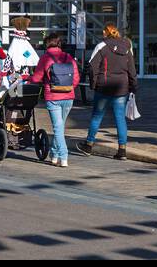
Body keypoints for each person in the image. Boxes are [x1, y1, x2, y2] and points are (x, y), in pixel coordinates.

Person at [77, 25, 136, 160]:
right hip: (121, 87)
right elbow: (132, 69)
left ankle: (89, 144)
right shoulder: (127, 46)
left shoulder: (102, 46)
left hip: (104, 86)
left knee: (97, 116)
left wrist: (93, 84)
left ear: (106, 33)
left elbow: (92, 66)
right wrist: (133, 87)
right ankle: (122, 150)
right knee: (120, 118)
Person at [29, 32, 79, 167]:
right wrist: (67, 87)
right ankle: (54, 155)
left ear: (47, 44)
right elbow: (76, 79)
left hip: (53, 97)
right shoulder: (69, 57)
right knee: (60, 127)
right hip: (68, 96)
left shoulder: (45, 58)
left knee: (57, 128)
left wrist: (28, 78)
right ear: (59, 43)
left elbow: (37, 78)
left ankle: (63, 156)